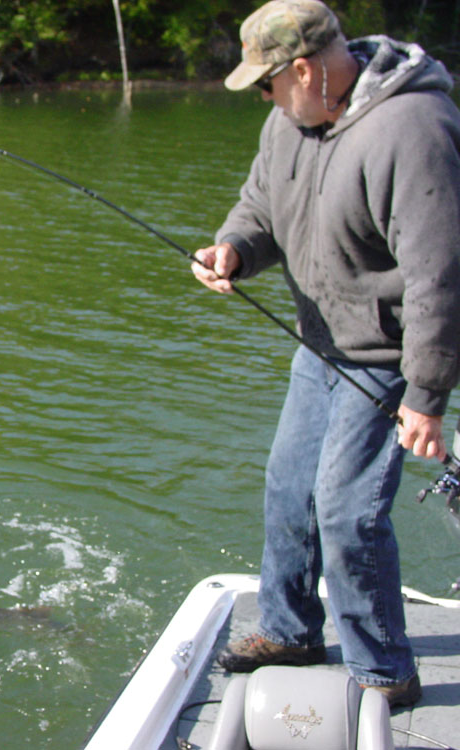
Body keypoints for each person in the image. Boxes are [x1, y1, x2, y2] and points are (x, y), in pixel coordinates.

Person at [192, 0, 460, 708]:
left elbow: (440, 274)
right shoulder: (290, 121)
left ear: (304, 70)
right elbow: (260, 207)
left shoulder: (415, 128)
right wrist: (234, 249)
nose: (264, 98)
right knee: (288, 490)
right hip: (319, 345)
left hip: (388, 358)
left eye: (267, 83)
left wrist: (427, 395)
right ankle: (289, 631)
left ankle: (383, 672)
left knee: (346, 513)